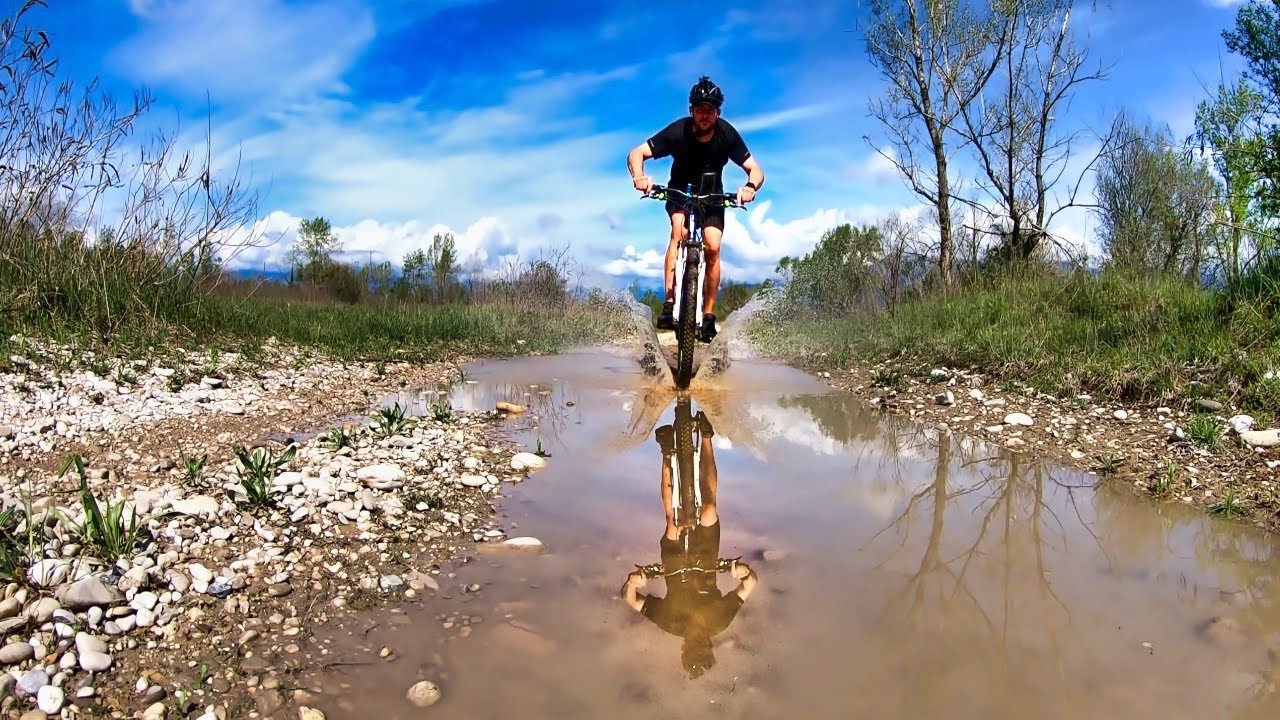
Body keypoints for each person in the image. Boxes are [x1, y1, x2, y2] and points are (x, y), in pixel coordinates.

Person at [620, 405, 759, 678]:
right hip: (706, 560)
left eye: (692, 649)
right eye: (704, 647)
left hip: (674, 565)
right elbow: (751, 585)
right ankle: (706, 437)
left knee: (672, 521)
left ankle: (665, 453)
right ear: (710, 646)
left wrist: (632, 582)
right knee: (708, 509)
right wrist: (744, 572)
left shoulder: (671, 624)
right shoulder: (720, 622)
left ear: (684, 648)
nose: (699, 642)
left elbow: (632, 601)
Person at [627, 76, 766, 343]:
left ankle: (709, 315)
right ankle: (669, 304)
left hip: (713, 195)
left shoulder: (727, 134)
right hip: (680, 191)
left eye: (710, 110)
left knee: (712, 246)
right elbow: (636, 154)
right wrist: (639, 177)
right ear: (691, 110)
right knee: (678, 232)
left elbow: (756, 170)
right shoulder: (678, 131)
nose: (705, 115)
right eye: (700, 109)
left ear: (718, 112)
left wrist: (750, 186)